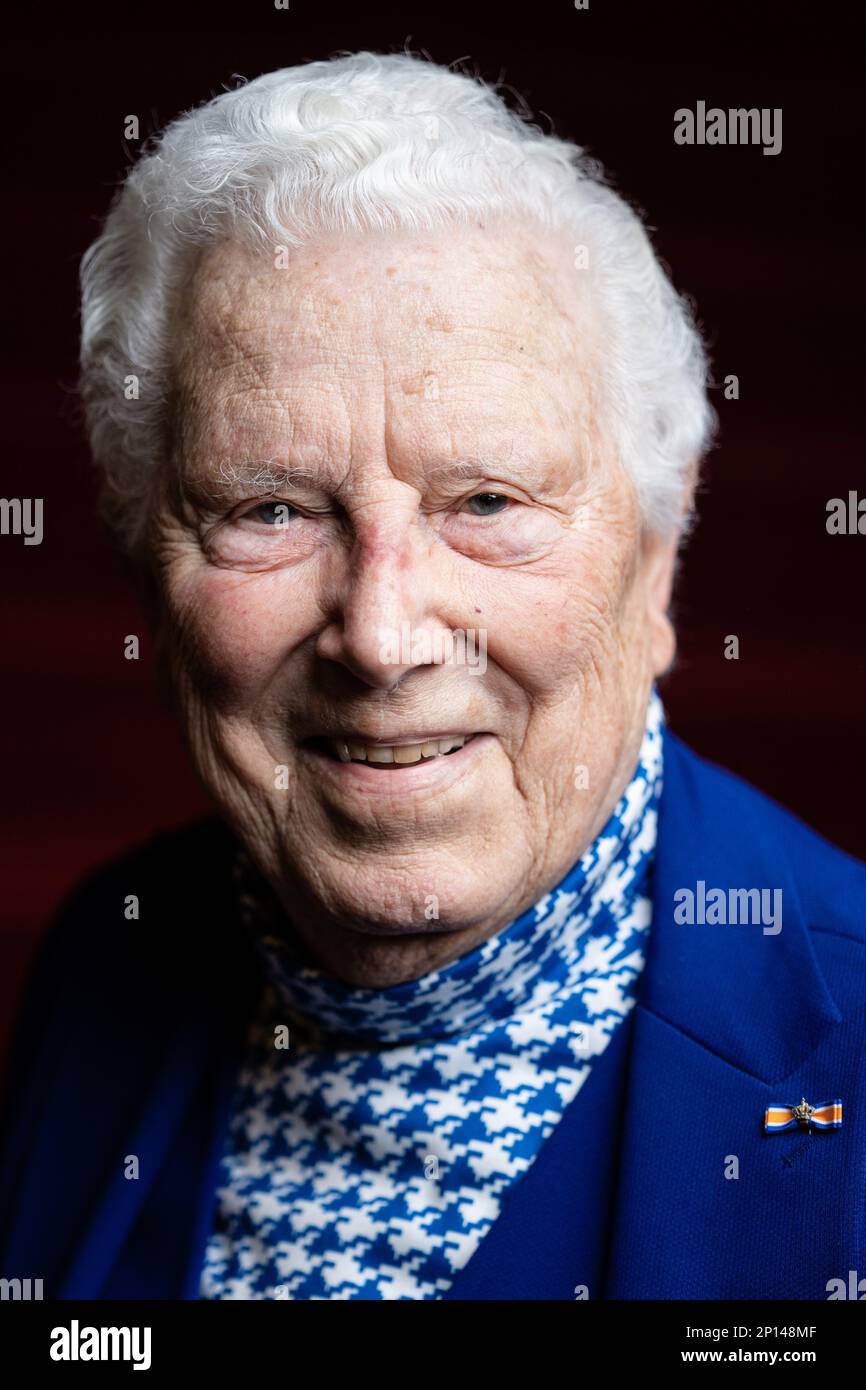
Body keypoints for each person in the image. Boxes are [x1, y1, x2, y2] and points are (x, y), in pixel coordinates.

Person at [1, 51, 864, 1301]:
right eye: (270, 508)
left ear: (656, 569)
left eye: (488, 501)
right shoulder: (102, 957)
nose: (384, 632)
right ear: (147, 571)